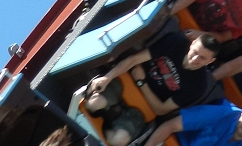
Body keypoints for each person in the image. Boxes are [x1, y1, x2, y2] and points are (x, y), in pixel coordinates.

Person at [87, 30, 219, 117]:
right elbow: (134, 60)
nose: (195, 59)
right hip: (125, 82)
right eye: (195, 52)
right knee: (93, 104)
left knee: (118, 138)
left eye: (203, 58)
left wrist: (141, 83)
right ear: (193, 43)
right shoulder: (176, 42)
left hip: (142, 108)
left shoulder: (199, 86)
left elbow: (161, 110)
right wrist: (107, 78)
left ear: (211, 61)